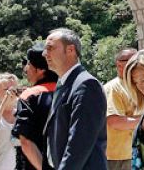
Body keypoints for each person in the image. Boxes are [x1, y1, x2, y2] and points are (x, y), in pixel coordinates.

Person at [42, 28, 107, 169]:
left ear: (71, 50)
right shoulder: (65, 83)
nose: (44, 53)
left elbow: (78, 144)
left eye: (50, 48)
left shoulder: (86, 85)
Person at [13, 43, 57, 170]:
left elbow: (26, 142)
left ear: (40, 70)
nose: (25, 69)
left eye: (28, 64)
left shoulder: (30, 95)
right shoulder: (68, 92)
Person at [104, 48, 140, 170]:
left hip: (134, 154)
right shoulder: (113, 88)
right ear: (119, 64)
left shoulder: (138, 85)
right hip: (117, 158)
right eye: (134, 61)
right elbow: (115, 121)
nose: (139, 64)